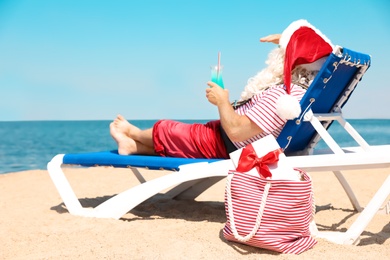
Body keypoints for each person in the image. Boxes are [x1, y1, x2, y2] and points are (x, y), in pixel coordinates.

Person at [110, 19, 334, 159]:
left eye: (280, 55)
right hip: (236, 140)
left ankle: (132, 133)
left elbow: (236, 131)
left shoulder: (282, 97)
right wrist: (287, 39)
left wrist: (222, 101)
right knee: (184, 140)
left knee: (169, 129)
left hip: (228, 143)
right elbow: (327, 53)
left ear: (287, 62)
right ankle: (133, 147)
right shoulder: (303, 93)